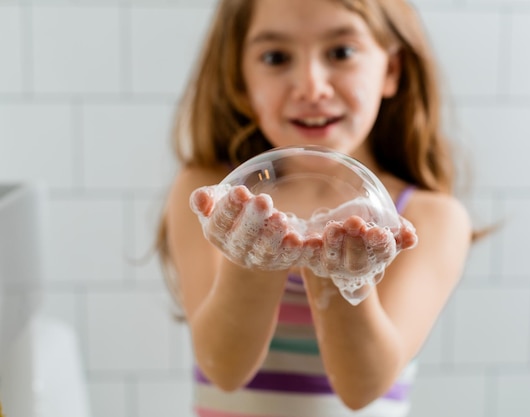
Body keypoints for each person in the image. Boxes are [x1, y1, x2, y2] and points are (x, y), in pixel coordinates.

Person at [156, 0, 472, 416]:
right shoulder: (212, 196)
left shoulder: (430, 218)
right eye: (276, 57)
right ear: (240, 82)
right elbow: (223, 370)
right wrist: (254, 259)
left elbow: (362, 389)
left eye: (341, 52)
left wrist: (344, 278)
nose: (311, 86)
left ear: (391, 71)